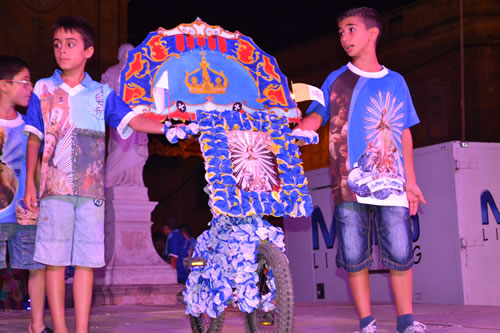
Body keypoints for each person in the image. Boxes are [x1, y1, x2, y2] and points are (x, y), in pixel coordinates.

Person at [23, 16, 167, 333]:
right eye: (58, 44)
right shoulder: (43, 88)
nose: (62, 50)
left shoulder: (102, 93)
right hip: (53, 188)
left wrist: (170, 127)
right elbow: (33, 136)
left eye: (71, 44)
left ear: (88, 51)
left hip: (91, 192)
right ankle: (60, 328)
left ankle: (82, 328)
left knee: (87, 262)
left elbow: (134, 120)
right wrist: (29, 184)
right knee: (55, 262)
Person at [298, 7, 427, 333]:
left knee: (400, 254)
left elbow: (405, 133)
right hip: (347, 184)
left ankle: (406, 323)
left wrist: (411, 182)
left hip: (394, 185)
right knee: (355, 257)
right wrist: (298, 130)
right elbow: (316, 114)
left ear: (372, 33)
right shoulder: (335, 79)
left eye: (351, 29)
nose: (344, 37)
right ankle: (367, 323)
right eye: (340, 31)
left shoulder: (396, 81)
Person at [0, 55, 52, 333]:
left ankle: (37, 325)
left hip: (25, 211)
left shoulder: (29, 125)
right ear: (4, 85)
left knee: (36, 265)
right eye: (24, 81)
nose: (30, 87)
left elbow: (38, 166)